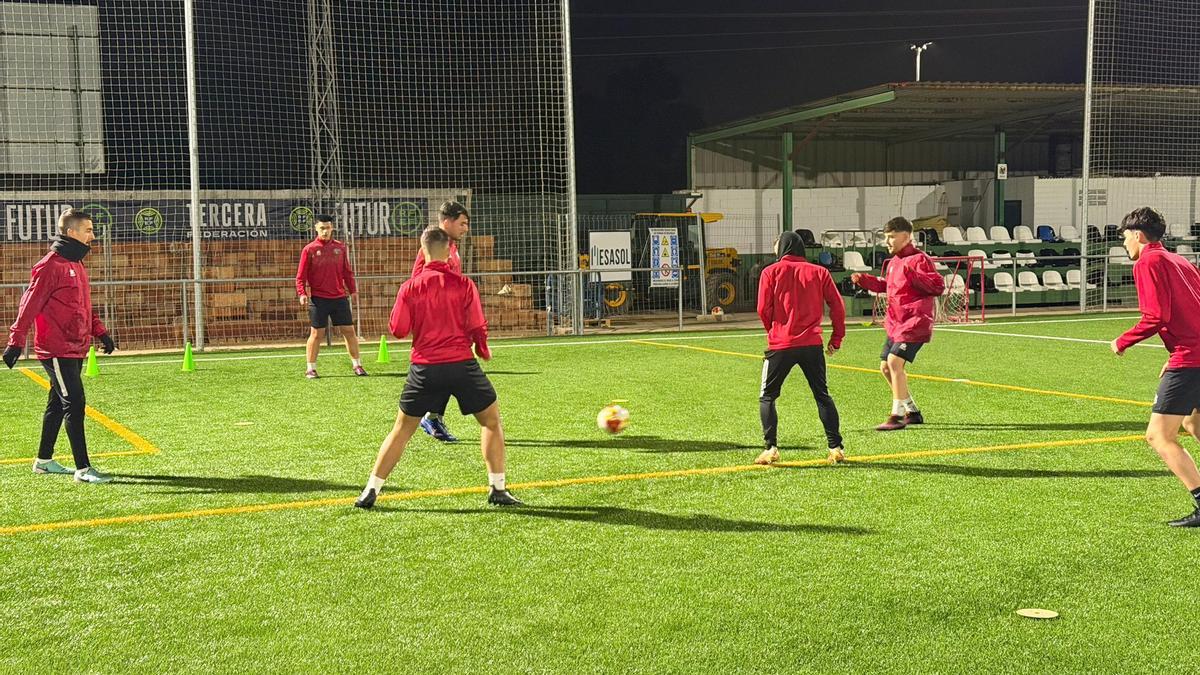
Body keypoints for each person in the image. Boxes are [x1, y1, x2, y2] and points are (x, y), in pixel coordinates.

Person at [356, 226, 521, 509]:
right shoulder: (464, 284)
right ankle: (498, 488)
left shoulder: (410, 287)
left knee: (401, 430)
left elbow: (398, 330)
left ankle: (371, 490)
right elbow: (477, 326)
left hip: (424, 368)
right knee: (491, 422)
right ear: (449, 252)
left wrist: (412, 292)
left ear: (422, 252)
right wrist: (482, 348)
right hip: (461, 365)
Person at [3, 208, 116, 483]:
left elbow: (83, 306)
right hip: (56, 349)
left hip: (75, 347)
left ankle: (43, 461)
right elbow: (28, 305)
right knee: (75, 403)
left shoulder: (77, 264)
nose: (92, 235)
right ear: (70, 232)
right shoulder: (49, 266)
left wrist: (100, 332)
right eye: (88, 230)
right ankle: (84, 469)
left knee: (57, 404)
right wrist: (15, 342)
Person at [1111, 206, 1200, 527]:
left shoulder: (1149, 262)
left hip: (1191, 358)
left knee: (1159, 436)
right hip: (1193, 354)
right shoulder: (1180, 260)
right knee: (1194, 425)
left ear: (1137, 235)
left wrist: (1123, 341)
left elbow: (1156, 317)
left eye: (1124, 238)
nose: (1124, 245)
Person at [755, 231, 846, 465]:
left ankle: (770, 448)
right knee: (822, 395)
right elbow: (837, 306)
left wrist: (773, 331)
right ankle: (835, 447)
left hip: (781, 344)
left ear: (782, 247)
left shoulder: (770, 272)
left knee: (767, 397)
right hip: (812, 345)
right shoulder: (820, 272)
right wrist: (836, 338)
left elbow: (763, 308)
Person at [851, 216, 945, 431]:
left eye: (892, 237)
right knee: (885, 367)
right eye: (887, 238)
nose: (888, 242)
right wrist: (866, 280)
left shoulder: (920, 260)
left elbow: (937, 286)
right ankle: (912, 411)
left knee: (894, 362)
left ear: (906, 236)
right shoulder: (894, 262)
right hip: (896, 323)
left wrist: (913, 274)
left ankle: (897, 416)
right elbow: (887, 286)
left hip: (914, 322)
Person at [410, 201, 472, 442]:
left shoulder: (452, 248)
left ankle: (432, 416)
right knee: (442, 373)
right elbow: (417, 281)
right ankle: (429, 416)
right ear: (446, 221)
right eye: (462, 223)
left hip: (451, 323)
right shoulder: (431, 248)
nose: (466, 228)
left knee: (447, 372)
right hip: (435, 326)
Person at [295, 214, 366, 378]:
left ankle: (357, 365)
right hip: (318, 299)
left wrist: (353, 290)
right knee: (316, 334)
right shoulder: (309, 249)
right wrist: (302, 293)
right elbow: (300, 276)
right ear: (316, 229)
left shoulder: (340, 248)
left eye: (327, 228)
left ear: (332, 228)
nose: (325, 231)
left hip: (339, 298)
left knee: (349, 331)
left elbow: (347, 272)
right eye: (322, 228)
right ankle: (310, 368)